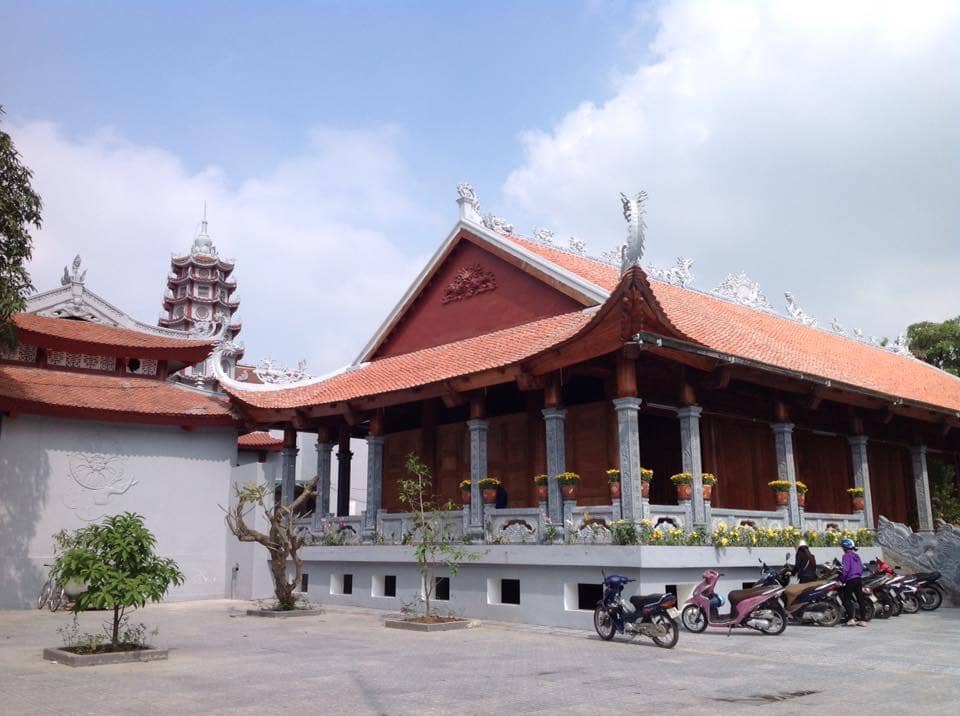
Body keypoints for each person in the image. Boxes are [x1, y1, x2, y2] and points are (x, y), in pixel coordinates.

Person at [839, 538, 868, 626]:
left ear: (845, 547)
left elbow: (845, 569)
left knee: (846, 599)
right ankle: (863, 620)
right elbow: (861, 568)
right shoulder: (856, 556)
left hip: (850, 579)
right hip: (858, 579)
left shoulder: (846, 556)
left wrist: (842, 579)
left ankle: (851, 619)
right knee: (860, 599)